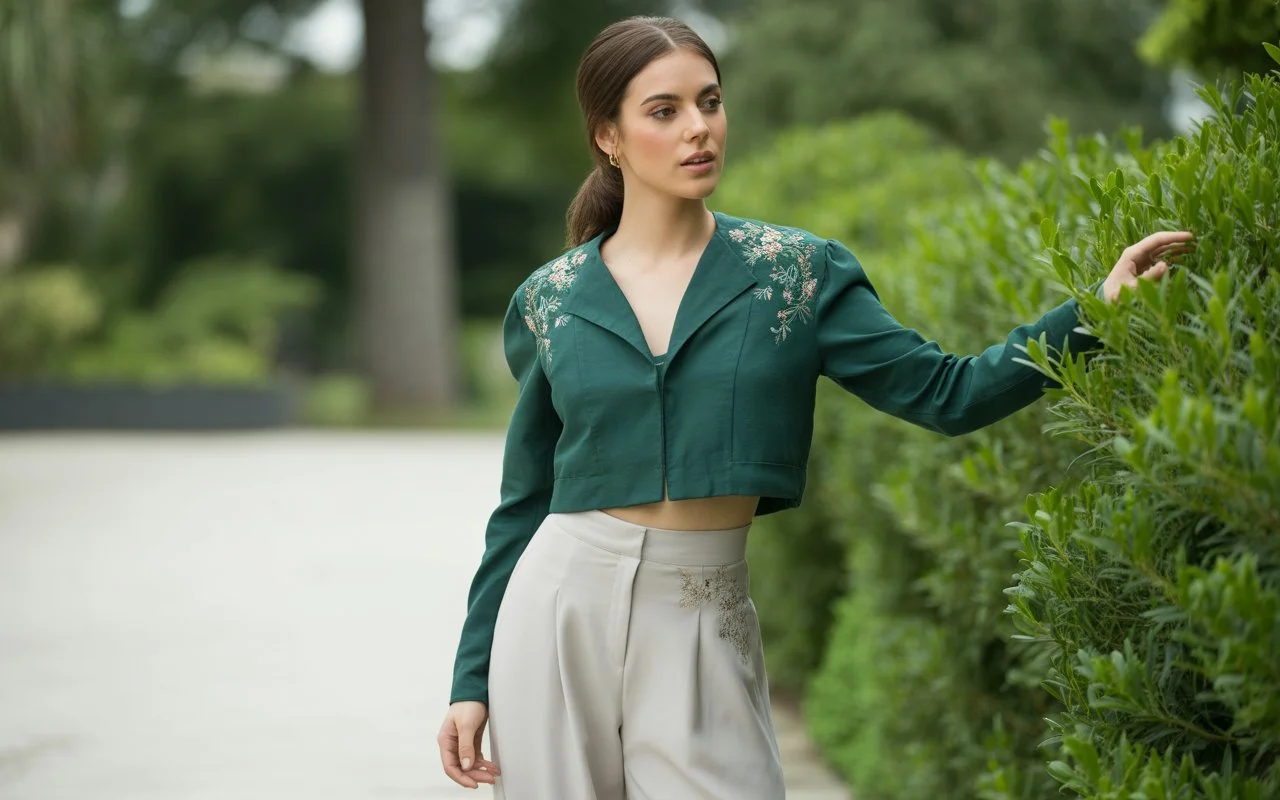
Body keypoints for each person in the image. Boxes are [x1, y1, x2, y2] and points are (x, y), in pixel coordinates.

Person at [436, 15, 1194, 800]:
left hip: (702, 615)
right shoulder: (549, 301)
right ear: (609, 137)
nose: (699, 128)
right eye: (665, 111)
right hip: (559, 610)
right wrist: (471, 677)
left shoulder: (798, 274)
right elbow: (524, 501)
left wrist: (1091, 312)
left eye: (711, 101)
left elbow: (948, 394)